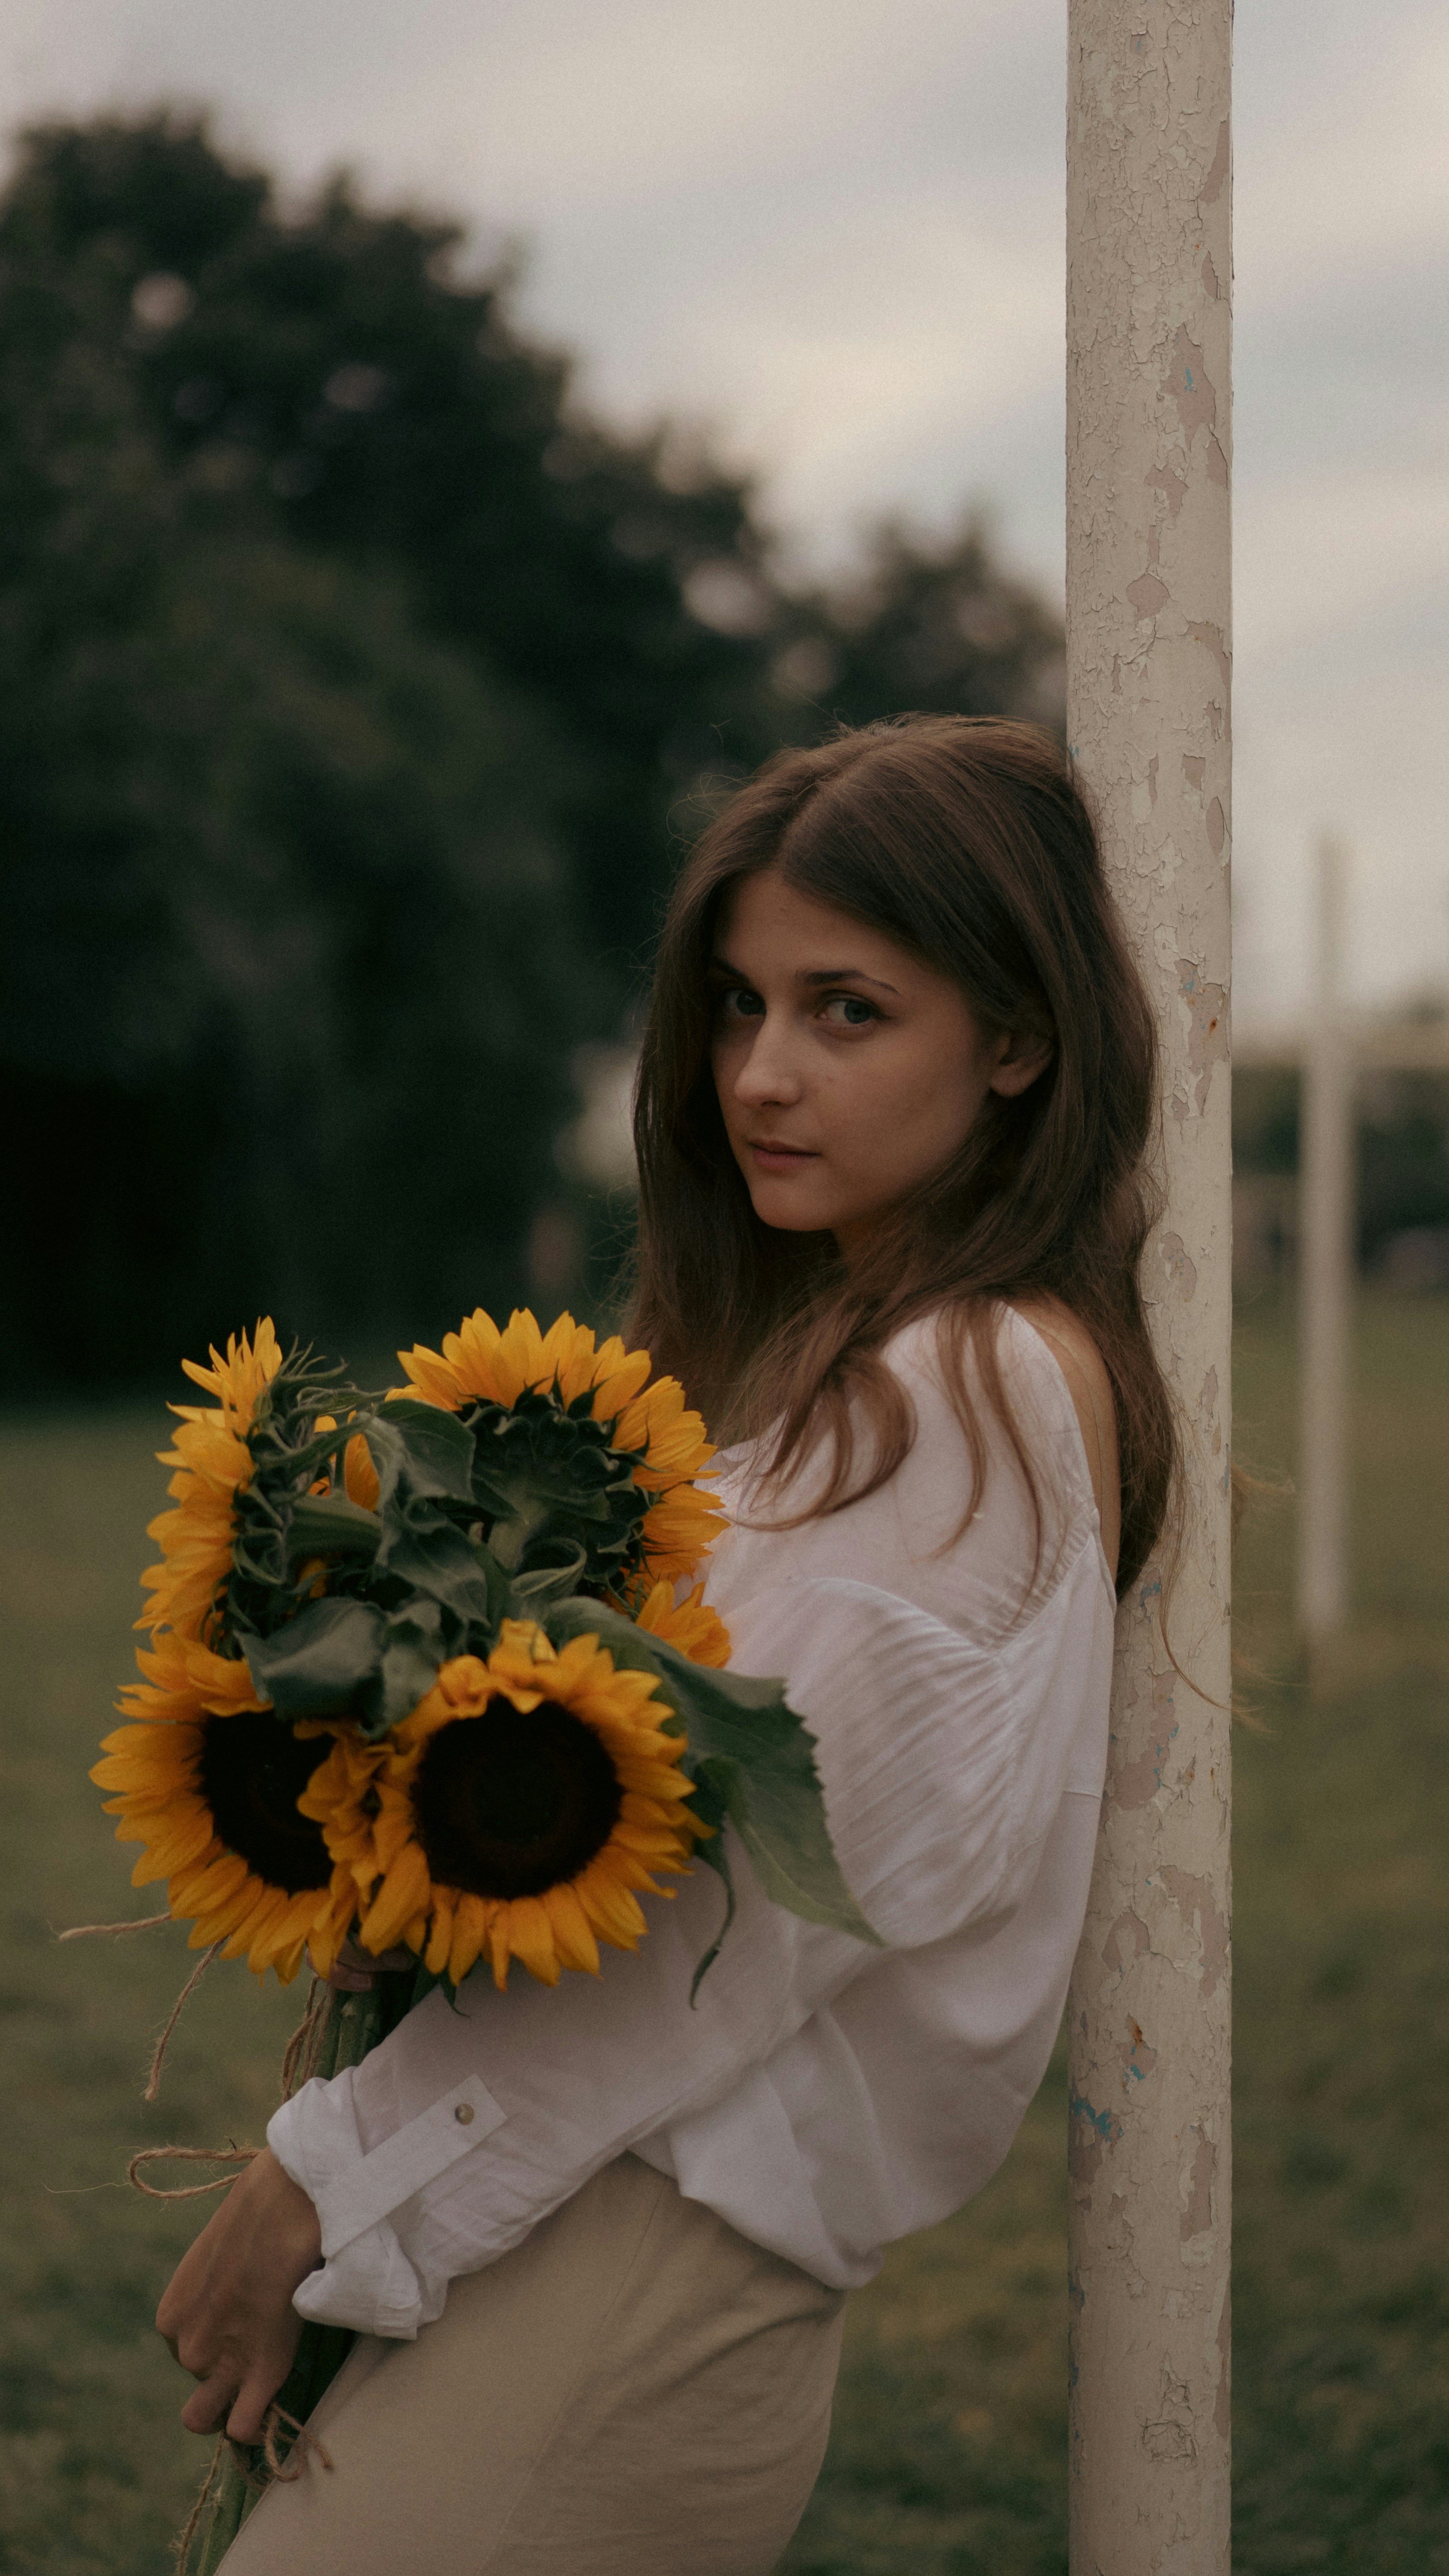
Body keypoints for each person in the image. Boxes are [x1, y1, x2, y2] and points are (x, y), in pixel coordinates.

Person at [157, 714, 1178, 2573]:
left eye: (846, 1009)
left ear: (1019, 1038)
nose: (760, 1076)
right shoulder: (891, 1361)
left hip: (633, 2271)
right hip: (572, 2229)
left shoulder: (958, 1383)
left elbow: (736, 1923)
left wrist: (321, 2174)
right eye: (735, 1005)